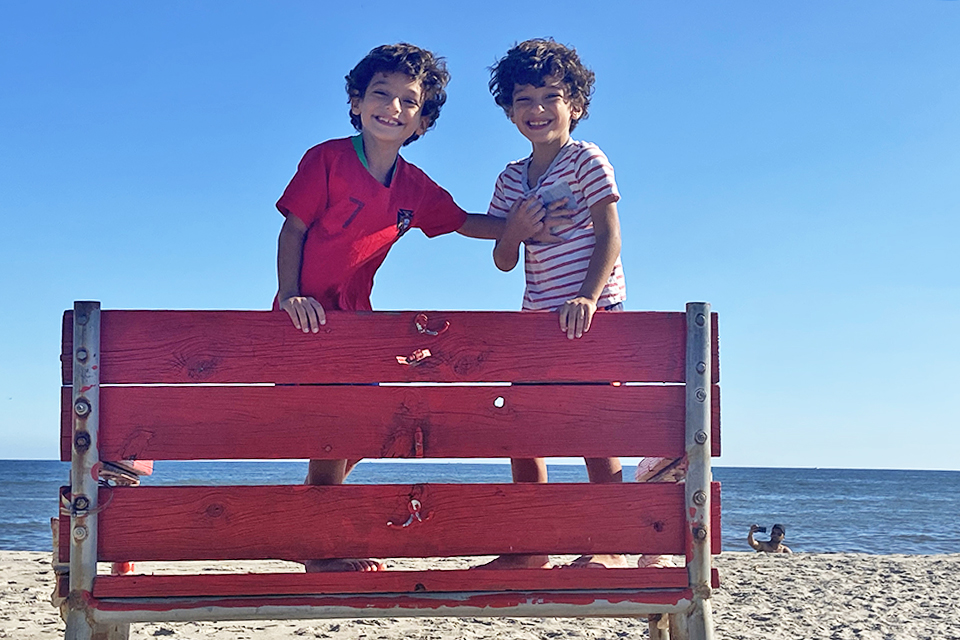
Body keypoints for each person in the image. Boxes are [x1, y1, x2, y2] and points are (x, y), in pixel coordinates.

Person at [275, 43, 560, 572]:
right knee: (337, 430)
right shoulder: (328, 160)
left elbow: (464, 222)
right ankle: (317, 548)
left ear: (422, 118)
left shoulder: (413, 186)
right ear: (357, 101)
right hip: (306, 322)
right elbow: (293, 229)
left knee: (361, 427)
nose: (394, 108)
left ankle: (310, 526)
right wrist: (289, 295)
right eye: (381, 94)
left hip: (358, 324)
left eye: (409, 101)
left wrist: (519, 228)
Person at [477, 38, 626, 569]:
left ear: (575, 105)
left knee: (594, 428)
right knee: (523, 429)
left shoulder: (586, 158)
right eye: (523, 99)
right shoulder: (510, 179)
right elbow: (502, 260)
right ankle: (531, 545)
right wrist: (512, 231)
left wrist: (588, 296)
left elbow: (611, 235)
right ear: (509, 109)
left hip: (593, 313)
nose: (536, 110)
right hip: (536, 319)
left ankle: (605, 545)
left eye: (550, 96)